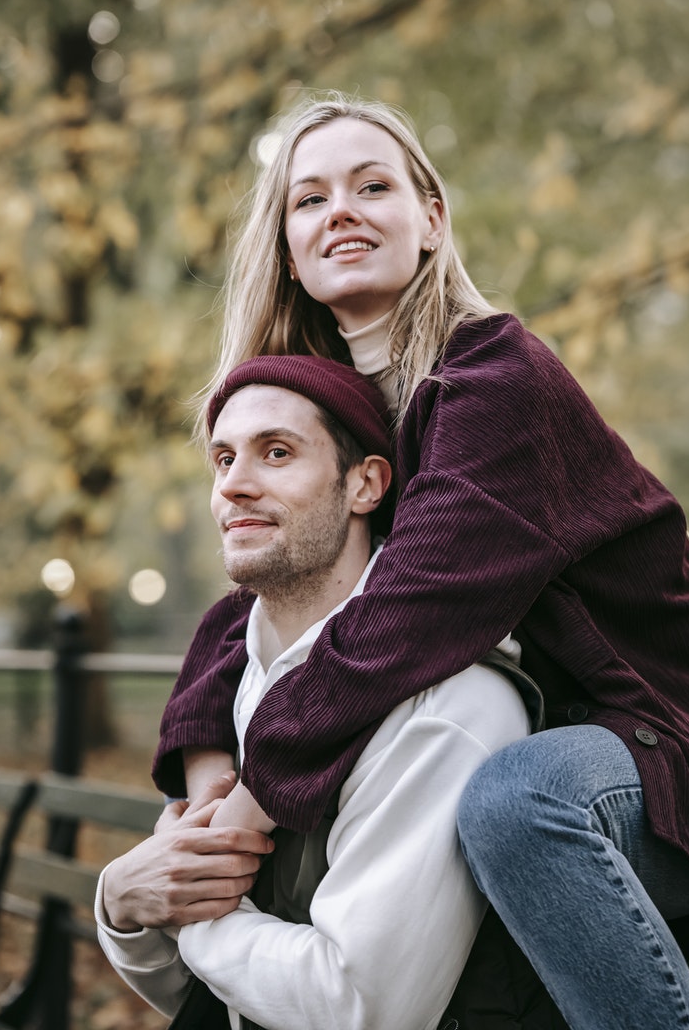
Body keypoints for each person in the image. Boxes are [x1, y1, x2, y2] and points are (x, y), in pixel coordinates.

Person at [152, 93, 689, 1030]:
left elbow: (413, 608)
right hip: (563, 738)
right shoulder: (344, 414)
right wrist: (208, 784)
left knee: (515, 804)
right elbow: (244, 598)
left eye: (373, 186)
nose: (343, 211)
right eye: (310, 199)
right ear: (287, 249)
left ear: (431, 220)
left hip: (678, 750)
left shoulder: (496, 381)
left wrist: (257, 801)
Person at [96, 355, 533, 1030]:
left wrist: (186, 913)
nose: (235, 485)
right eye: (221, 460)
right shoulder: (230, 682)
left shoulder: (447, 708)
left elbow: (359, 1007)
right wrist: (120, 901)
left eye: (276, 452)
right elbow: (197, 997)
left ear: (365, 485)